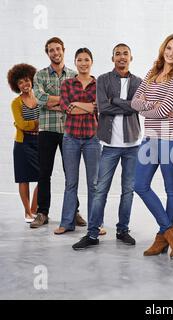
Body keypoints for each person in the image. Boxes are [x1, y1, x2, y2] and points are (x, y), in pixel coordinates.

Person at [72, 43, 141, 250]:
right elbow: (102, 107)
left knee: (128, 190)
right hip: (109, 145)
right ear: (113, 59)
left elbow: (137, 107)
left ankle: (123, 230)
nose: (121, 57)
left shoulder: (138, 82)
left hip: (133, 145)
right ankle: (92, 234)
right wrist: (125, 104)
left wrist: (116, 101)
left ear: (131, 58)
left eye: (125, 54)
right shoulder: (102, 79)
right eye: (117, 54)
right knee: (100, 189)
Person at [132, 34, 173, 257]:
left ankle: (161, 239)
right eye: (169, 48)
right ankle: (169, 231)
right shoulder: (153, 71)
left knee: (171, 190)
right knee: (140, 185)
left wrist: (146, 106)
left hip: (171, 139)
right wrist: (149, 105)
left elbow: (165, 111)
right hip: (150, 138)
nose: (171, 53)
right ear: (163, 48)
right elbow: (134, 102)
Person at [31, 37, 85, 228]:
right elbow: (38, 98)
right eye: (51, 50)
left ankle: (74, 211)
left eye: (58, 49)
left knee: (71, 173)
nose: (55, 53)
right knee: (44, 173)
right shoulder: (40, 75)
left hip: (69, 131)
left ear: (64, 50)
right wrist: (64, 102)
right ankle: (42, 212)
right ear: (48, 53)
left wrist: (52, 103)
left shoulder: (73, 75)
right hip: (47, 130)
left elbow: (77, 99)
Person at [54, 48, 100, 235]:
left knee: (94, 184)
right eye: (79, 60)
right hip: (71, 138)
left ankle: (95, 224)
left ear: (91, 62)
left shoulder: (99, 84)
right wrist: (88, 107)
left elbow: (99, 107)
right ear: (75, 62)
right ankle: (67, 223)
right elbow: (66, 107)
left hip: (92, 139)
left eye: (86, 59)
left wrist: (80, 105)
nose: (83, 63)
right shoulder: (67, 83)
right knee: (71, 182)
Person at [7, 63, 39, 222]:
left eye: (26, 80)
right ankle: (27, 212)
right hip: (22, 143)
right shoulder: (16, 102)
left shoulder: (40, 98)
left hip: (40, 142)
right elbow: (20, 123)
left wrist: (29, 123)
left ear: (32, 79)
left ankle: (34, 209)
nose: (24, 84)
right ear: (16, 85)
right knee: (23, 177)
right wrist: (37, 123)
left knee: (43, 177)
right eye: (20, 82)